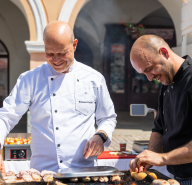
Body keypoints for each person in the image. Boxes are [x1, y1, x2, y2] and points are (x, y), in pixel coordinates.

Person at [0, 21, 116, 172]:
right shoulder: (30, 79)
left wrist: (101, 136)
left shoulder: (94, 79)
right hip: (42, 173)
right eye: (50, 54)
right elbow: (6, 116)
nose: (56, 60)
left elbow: (107, 117)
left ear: (74, 45)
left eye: (62, 53)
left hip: (83, 170)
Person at [129, 34, 192, 185]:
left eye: (149, 69)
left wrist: (163, 158)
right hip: (177, 179)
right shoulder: (166, 85)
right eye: (144, 73)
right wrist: (151, 155)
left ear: (164, 53)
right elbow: (159, 128)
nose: (149, 78)